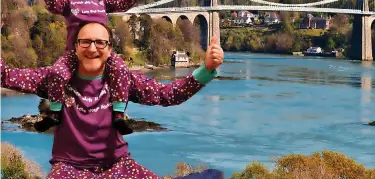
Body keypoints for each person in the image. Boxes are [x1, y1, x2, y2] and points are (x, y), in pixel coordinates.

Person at [0, 21, 224, 179]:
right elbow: (7, 76)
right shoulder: (53, 79)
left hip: (118, 166)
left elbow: (169, 95)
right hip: (69, 169)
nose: (92, 48)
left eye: (100, 43)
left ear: (109, 49)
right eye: (85, 42)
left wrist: (206, 69)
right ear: (75, 47)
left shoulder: (123, 80)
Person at [38, 0, 145, 135]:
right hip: (75, 53)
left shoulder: (102, 1)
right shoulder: (68, 2)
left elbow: (122, 5)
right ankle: (55, 113)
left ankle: (118, 114)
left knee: (121, 69)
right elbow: (51, 3)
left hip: (102, 52)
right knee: (56, 72)